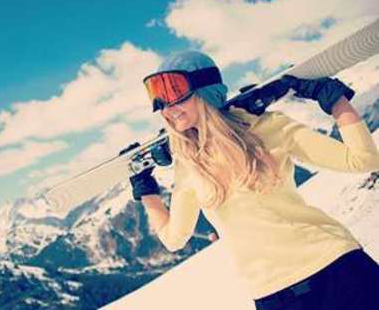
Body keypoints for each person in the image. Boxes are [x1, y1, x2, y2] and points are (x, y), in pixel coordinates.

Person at [129, 50, 379, 310]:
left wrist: (332, 98)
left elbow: (362, 160)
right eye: (157, 96)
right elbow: (173, 239)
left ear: (205, 90)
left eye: (173, 90)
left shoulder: (269, 126)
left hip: (338, 270)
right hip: (274, 297)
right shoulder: (189, 164)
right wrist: (146, 189)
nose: (167, 107)